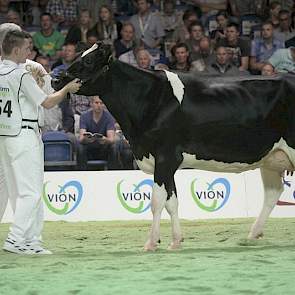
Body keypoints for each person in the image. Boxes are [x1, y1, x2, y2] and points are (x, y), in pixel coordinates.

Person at [0, 30, 81, 255]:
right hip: (24, 134)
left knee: (20, 192)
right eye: (27, 49)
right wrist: (67, 89)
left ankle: (30, 241)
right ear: (16, 49)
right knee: (32, 193)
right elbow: (46, 102)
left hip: (5, 136)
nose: (30, 53)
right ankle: (16, 239)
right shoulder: (21, 75)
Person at [77, 96, 118, 170]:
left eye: (101, 103)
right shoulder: (84, 116)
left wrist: (105, 140)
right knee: (80, 147)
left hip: (103, 148)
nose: (99, 105)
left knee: (113, 147)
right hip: (89, 148)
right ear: (92, 104)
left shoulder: (109, 117)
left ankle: (113, 173)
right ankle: (81, 174)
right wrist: (86, 139)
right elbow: (81, 138)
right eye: (96, 103)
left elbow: (111, 139)